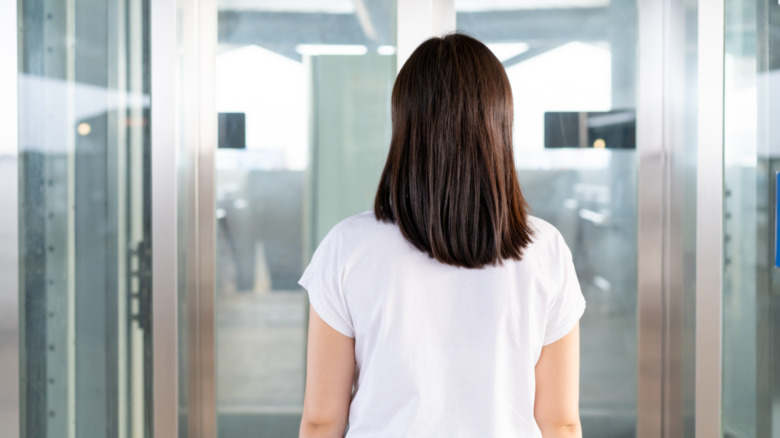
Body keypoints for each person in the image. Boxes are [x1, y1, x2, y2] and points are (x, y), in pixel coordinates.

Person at [298, 33, 586, 438]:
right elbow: (560, 421)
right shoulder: (545, 250)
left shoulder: (348, 248)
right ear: (499, 124)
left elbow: (321, 419)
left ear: (405, 126)